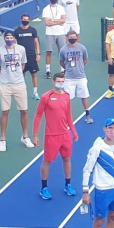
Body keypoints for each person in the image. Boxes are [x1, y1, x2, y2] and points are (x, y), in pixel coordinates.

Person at [32, 72, 79, 200]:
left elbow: (68, 116)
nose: (61, 84)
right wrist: (35, 135)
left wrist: (73, 132)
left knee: (67, 159)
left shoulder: (67, 96)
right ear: (53, 82)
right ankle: (44, 188)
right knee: (47, 161)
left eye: (63, 81)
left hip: (65, 135)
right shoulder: (46, 97)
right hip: (51, 136)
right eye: (59, 81)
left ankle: (68, 185)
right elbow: (38, 115)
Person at [0, 31, 33, 151]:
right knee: (5, 112)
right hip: (5, 85)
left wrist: (17, 77)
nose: (9, 39)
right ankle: (2, 139)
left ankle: (25, 136)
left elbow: (22, 65)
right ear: (4, 39)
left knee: (24, 111)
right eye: (7, 37)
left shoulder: (21, 49)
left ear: (14, 39)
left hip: (19, 85)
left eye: (11, 37)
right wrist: (5, 79)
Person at [59, 31, 93, 124]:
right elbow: (61, 61)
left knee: (84, 96)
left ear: (76, 37)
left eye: (74, 37)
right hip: (69, 78)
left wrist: (80, 67)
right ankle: (66, 117)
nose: (72, 38)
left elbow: (85, 60)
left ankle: (88, 115)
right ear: (67, 38)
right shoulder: (63, 50)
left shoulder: (82, 48)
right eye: (71, 37)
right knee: (67, 99)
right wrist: (68, 69)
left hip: (81, 77)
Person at [14, 15, 42, 101]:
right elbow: (15, 44)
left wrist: (38, 54)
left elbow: (36, 42)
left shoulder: (33, 30)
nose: (25, 21)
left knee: (34, 74)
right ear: (21, 20)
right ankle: (21, 92)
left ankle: (35, 92)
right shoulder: (17, 31)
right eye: (24, 19)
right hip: (21, 56)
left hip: (31, 55)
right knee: (22, 74)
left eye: (27, 20)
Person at [42, 0, 66, 80]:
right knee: (49, 52)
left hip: (60, 33)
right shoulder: (46, 9)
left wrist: (53, 21)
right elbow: (47, 23)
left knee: (62, 52)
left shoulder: (61, 8)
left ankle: (63, 69)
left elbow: (63, 20)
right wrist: (58, 21)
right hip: (50, 34)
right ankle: (48, 70)